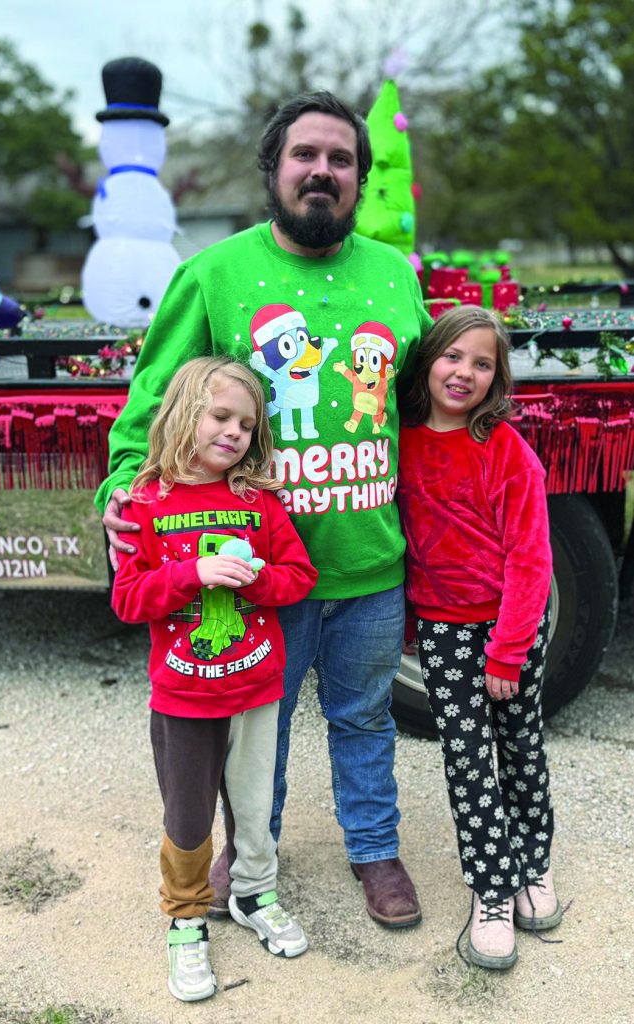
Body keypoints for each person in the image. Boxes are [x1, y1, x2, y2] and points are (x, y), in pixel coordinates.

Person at [97, 89, 432, 929]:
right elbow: (152, 402)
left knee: (362, 718)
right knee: (258, 733)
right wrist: (122, 492)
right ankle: (250, 863)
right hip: (253, 573)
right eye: (305, 155)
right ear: (274, 169)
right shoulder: (212, 275)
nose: (322, 170)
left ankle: (374, 851)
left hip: (367, 562)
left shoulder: (394, 276)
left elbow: (426, 412)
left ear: (357, 178)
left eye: (341, 159)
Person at [110, 356, 318, 1002]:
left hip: (255, 690)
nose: (233, 433)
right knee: (188, 815)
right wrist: (189, 576)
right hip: (184, 697)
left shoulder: (256, 503)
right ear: (182, 414)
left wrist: (257, 578)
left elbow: (299, 577)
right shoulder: (144, 503)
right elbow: (127, 599)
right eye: (220, 416)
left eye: (247, 425)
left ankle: (254, 895)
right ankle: (186, 916)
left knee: (254, 808)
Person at [397, 305, 561, 969]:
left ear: (496, 379)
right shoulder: (402, 440)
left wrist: (508, 649)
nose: (463, 372)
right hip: (440, 628)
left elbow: (531, 558)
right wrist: (409, 622)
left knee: (518, 746)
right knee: (467, 762)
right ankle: (490, 889)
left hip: (507, 628)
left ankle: (532, 866)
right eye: (452, 356)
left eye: (481, 363)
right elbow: (402, 538)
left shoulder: (504, 451)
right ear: (428, 359)